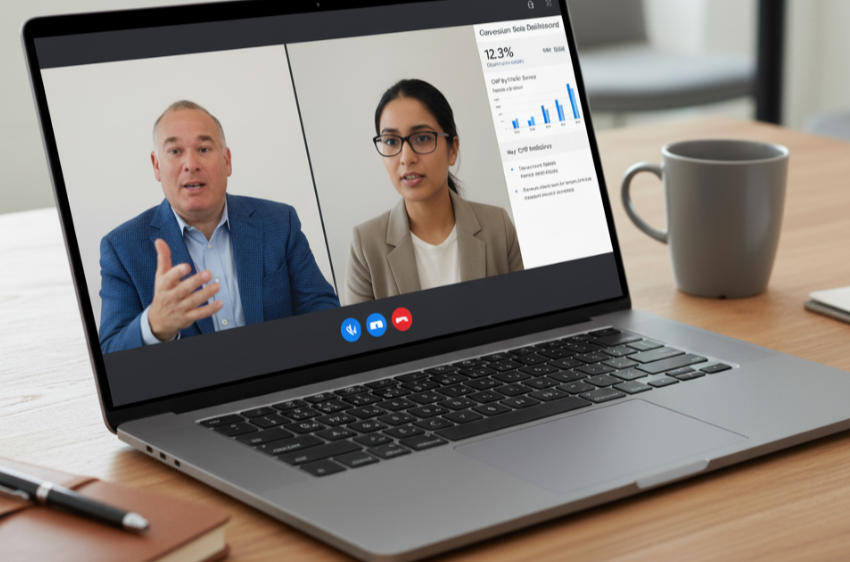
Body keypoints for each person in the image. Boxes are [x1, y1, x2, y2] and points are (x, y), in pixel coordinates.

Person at [99, 100, 339, 353]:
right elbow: (110, 355)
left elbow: (322, 308)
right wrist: (154, 326)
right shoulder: (121, 249)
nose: (191, 164)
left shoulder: (280, 222)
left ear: (227, 160)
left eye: (203, 149)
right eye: (175, 151)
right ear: (157, 165)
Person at [345, 79, 523, 304]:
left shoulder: (498, 226)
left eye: (422, 138)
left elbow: (525, 312)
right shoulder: (365, 245)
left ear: (452, 149)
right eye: (391, 141)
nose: (406, 158)